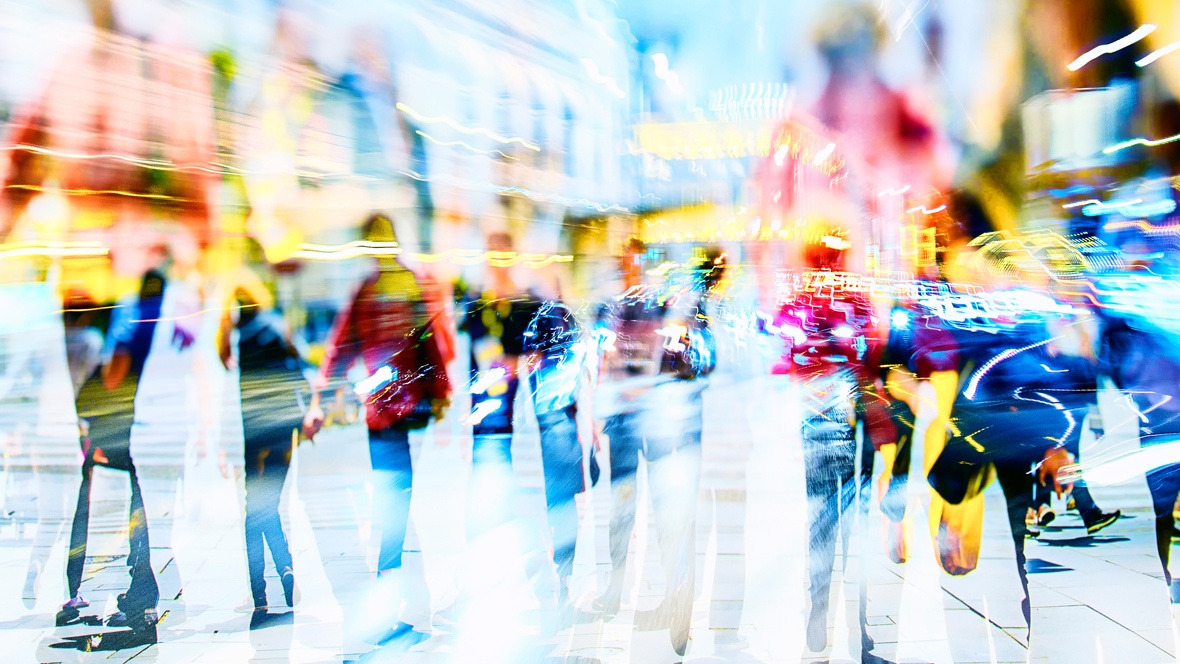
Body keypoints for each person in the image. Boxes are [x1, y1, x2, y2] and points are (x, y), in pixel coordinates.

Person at [302, 213, 451, 643]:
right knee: (394, 502)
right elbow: (429, 343)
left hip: (389, 412)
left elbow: (342, 349)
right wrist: (442, 395)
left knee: (396, 501)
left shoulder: (377, 289)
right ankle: (387, 606)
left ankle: (399, 599)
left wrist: (441, 394)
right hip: (392, 413)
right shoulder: (396, 285)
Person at [591, 238, 717, 656]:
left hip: (663, 426)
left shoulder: (668, 308)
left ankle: (673, 596)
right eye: (627, 264)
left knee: (664, 516)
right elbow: (603, 360)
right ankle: (620, 591)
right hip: (637, 426)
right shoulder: (619, 308)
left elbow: (700, 359)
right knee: (626, 513)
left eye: (635, 264)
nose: (632, 272)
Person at [769, 233, 879, 656]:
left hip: (813, 421)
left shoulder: (795, 304)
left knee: (820, 521)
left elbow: (781, 360)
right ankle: (860, 625)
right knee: (856, 523)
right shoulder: (858, 300)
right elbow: (870, 357)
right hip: (855, 421)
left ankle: (817, 615)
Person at [57, 269, 175, 641]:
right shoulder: (168, 325)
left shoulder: (132, 323)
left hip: (122, 429)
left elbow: (112, 377)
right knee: (140, 513)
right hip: (155, 430)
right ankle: (139, 598)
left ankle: (119, 596)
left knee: (112, 511)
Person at [217, 237, 307, 623]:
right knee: (266, 506)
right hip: (284, 430)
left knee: (255, 511)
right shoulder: (276, 326)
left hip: (255, 435)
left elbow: (228, 377)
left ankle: (260, 595)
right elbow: (301, 373)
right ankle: (284, 571)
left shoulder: (241, 337)